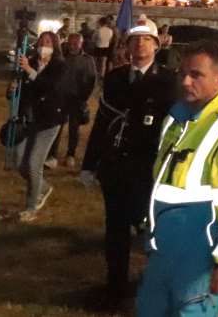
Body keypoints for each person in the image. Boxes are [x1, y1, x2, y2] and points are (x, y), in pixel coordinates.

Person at [136, 41, 218, 317]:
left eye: (196, 75)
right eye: (182, 74)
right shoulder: (175, 119)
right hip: (165, 249)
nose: (186, 82)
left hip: (200, 255)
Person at [81, 20, 179, 308]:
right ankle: (115, 287)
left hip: (147, 167)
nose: (140, 45)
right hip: (115, 164)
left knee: (150, 229)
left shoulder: (168, 81)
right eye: (135, 40)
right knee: (115, 230)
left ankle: (158, 286)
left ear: (156, 45)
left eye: (146, 39)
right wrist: (89, 163)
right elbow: (103, 123)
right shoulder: (115, 78)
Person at [10, 31, 68, 222]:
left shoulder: (60, 66)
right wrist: (12, 90)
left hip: (48, 121)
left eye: (48, 42)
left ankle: (31, 207)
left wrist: (29, 71)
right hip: (28, 120)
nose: (44, 45)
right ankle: (42, 187)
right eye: (42, 41)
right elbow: (20, 91)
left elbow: (50, 87)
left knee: (34, 163)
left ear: (55, 45)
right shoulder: (31, 62)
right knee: (19, 161)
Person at [47, 33, 97, 168]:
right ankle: (52, 154)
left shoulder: (88, 60)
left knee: (74, 128)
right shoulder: (61, 57)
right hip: (60, 98)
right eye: (71, 43)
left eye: (76, 43)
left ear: (81, 44)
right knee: (56, 127)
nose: (73, 46)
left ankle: (71, 154)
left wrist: (84, 98)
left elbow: (92, 80)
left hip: (77, 99)